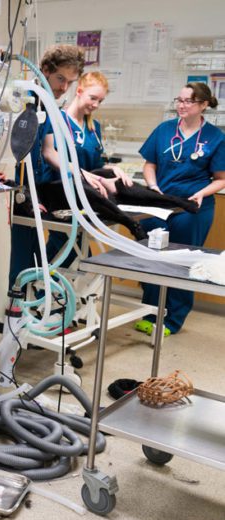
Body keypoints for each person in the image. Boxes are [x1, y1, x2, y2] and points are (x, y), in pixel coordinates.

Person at [135, 82, 225, 335]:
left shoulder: (215, 138)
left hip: (192, 207)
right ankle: (149, 312)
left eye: (189, 101)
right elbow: (149, 163)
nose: (182, 105)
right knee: (153, 258)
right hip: (160, 203)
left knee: (183, 262)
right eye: (179, 100)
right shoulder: (164, 130)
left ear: (204, 105)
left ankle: (172, 320)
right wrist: (152, 185)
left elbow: (221, 178)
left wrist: (202, 192)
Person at [9, 45, 86, 287]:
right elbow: (11, 156)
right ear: (44, 71)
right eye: (60, 78)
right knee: (21, 256)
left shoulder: (51, 107)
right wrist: (26, 194)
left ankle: (35, 307)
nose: (64, 88)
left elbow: (48, 151)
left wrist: (82, 174)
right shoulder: (22, 102)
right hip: (18, 192)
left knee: (36, 256)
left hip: (39, 190)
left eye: (70, 82)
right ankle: (17, 309)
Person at [40, 71, 133, 266]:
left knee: (73, 252)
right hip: (62, 197)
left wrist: (113, 169)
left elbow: (95, 165)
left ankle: (42, 287)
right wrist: (84, 175)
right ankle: (38, 288)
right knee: (70, 250)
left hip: (87, 199)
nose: (96, 105)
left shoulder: (93, 127)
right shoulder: (57, 120)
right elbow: (50, 155)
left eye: (100, 101)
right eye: (93, 98)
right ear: (79, 91)